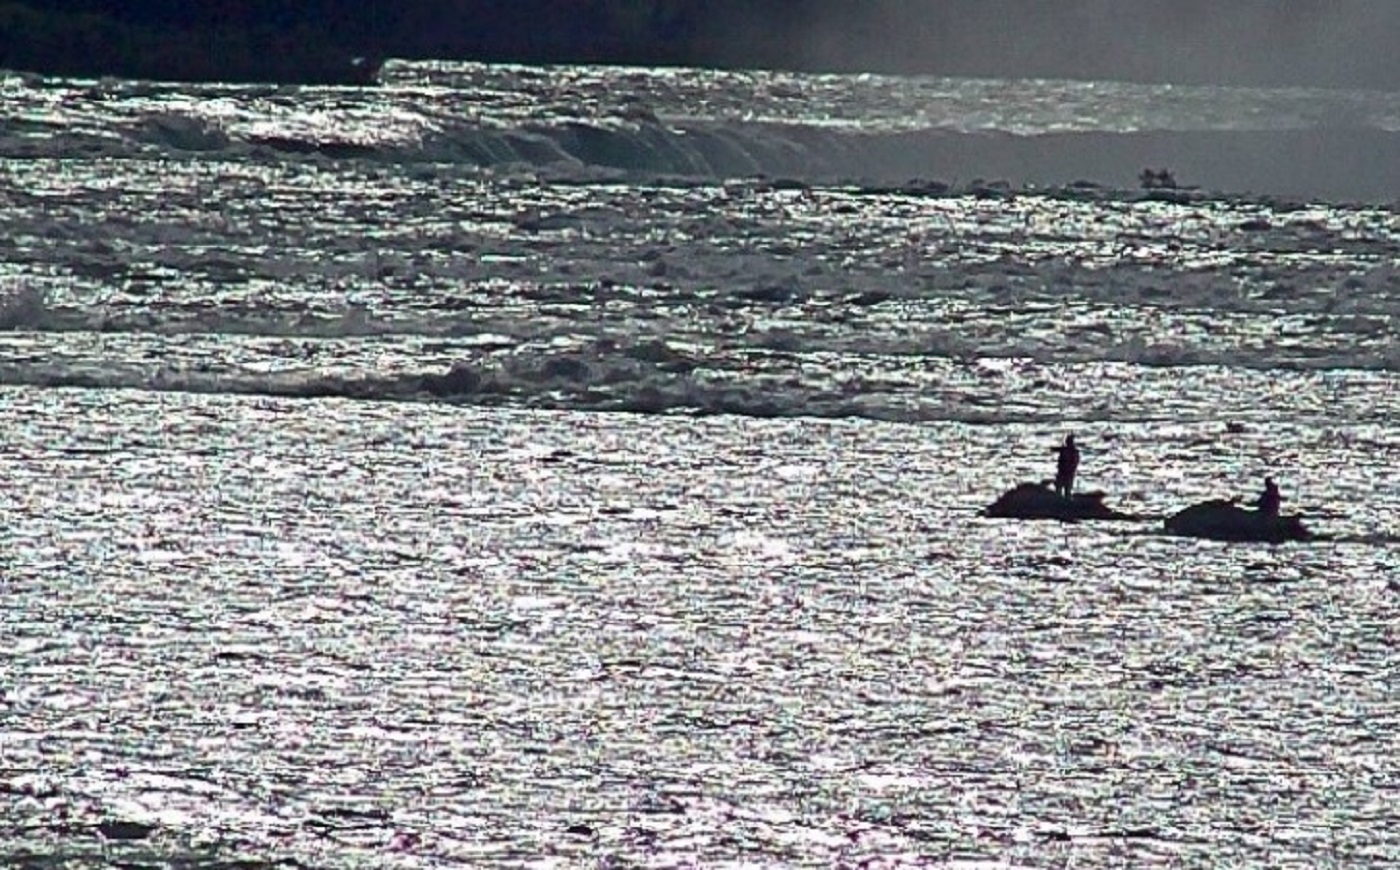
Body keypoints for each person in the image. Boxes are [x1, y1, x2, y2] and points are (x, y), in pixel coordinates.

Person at [1051, 434, 1079, 499]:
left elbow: (1075, 462)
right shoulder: (1066, 450)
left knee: (1066, 489)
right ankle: (1061, 500)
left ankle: (1065, 501)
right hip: (1063, 471)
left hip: (1067, 472)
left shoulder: (1073, 451)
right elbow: (1054, 449)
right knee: (1059, 488)